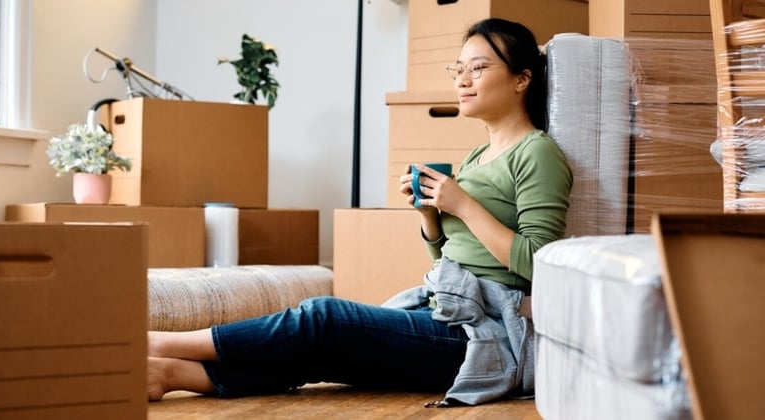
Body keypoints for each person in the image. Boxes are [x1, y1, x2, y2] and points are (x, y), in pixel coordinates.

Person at [146, 17, 572, 407]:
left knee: (324, 318)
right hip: (442, 307)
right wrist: (430, 218)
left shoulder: (537, 152)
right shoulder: (479, 154)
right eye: (458, 68)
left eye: (478, 68)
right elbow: (452, 263)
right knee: (320, 349)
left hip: (483, 333)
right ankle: (171, 374)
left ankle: (163, 345)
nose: (463, 79)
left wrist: (461, 204)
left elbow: (540, 263)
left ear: (522, 78)